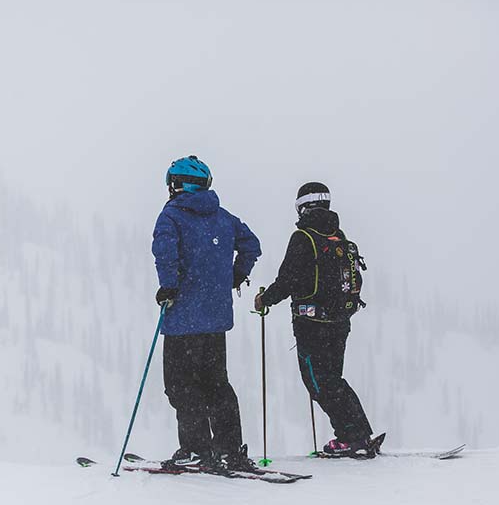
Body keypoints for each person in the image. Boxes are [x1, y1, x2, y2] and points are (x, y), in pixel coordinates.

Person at [152, 155, 262, 471]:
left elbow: (165, 252)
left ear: (177, 184)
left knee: (180, 385)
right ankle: (230, 450)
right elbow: (251, 245)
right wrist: (235, 276)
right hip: (215, 318)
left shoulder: (171, 216)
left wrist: (168, 287)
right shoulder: (223, 217)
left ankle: (197, 449)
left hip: (182, 317)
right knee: (216, 384)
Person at [255, 182, 376, 458]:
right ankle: (359, 433)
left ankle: (350, 437)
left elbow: (288, 280)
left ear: (301, 206)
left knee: (319, 382)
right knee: (333, 379)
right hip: (340, 321)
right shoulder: (338, 236)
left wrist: (265, 299)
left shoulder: (304, 238)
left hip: (311, 324)